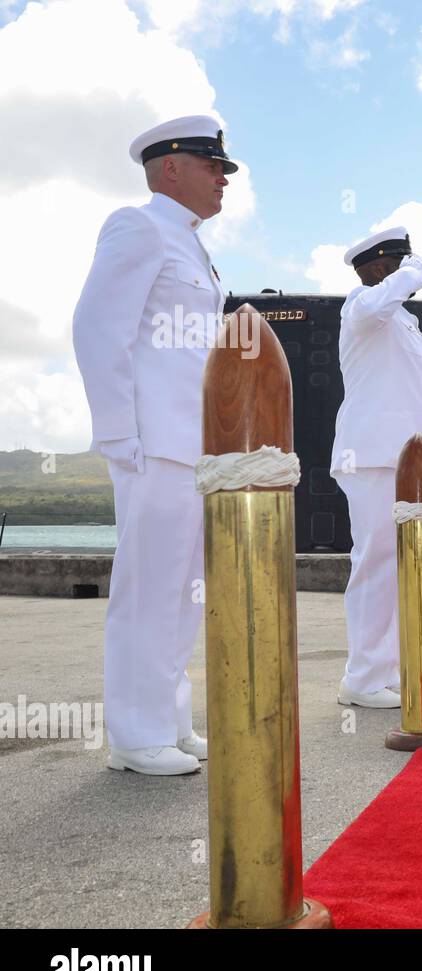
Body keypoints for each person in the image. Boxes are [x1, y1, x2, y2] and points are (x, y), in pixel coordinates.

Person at [72, 115, 237, 775]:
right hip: (153, 442)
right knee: (147, 589)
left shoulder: (192, 246)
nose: (223, 179)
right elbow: (96, 328)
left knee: (182, 589)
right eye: (212, 166)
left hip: (194, 444)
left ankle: (168, 721)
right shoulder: (137, 227)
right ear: (170, 166)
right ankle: (135, 737)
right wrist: (120, 436)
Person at [332, 227, 422, 709]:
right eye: (401, 263)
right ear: (378, 268)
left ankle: (382, 668)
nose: (410, 271)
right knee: (374, 562)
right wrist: (410, 275)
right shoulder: (361, 304)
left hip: (407, 458)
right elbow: (375, 307)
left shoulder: (406, 323)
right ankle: (363, 677)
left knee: (397, 566)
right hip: (371, 455)